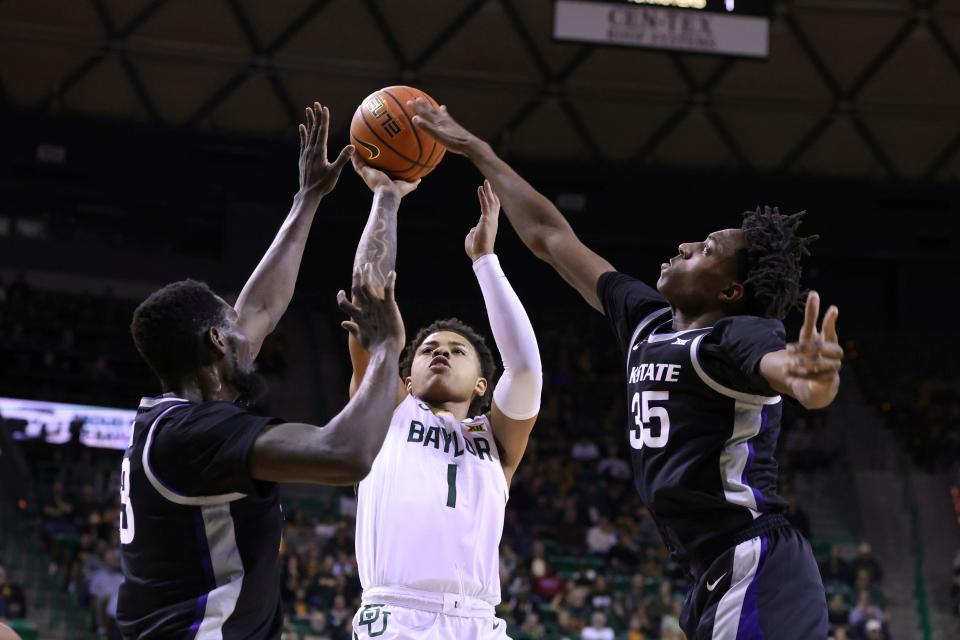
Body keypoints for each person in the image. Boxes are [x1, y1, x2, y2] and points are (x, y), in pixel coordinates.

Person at [409, 99, 844, 639]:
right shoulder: (646, 320)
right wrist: (478, 150)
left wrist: (812, 381)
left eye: (705, 250)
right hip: (710, 571)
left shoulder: (735, 335)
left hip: (754, 561)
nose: (684, 246)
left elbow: (786, 372)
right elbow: (550, 236)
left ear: (731, 290)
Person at [115, 103, 406, 639]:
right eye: (233, 329)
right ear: (215, 346)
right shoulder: (194, 435)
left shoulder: (170, 420)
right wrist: (387, 348)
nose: (251, 332)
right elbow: (346, 455)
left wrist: (307, 199)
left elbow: (260, 310)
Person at [346, 158, 542, 639]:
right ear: (406, 378)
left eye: (458, 351)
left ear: (482, 385)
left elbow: (525, 368)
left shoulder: (496, 440)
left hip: (477, 620)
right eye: (429, 349)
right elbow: (368, 296)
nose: (441, 353)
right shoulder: (389, 411)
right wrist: (386, 200)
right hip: (396, 614)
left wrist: (486, 261)